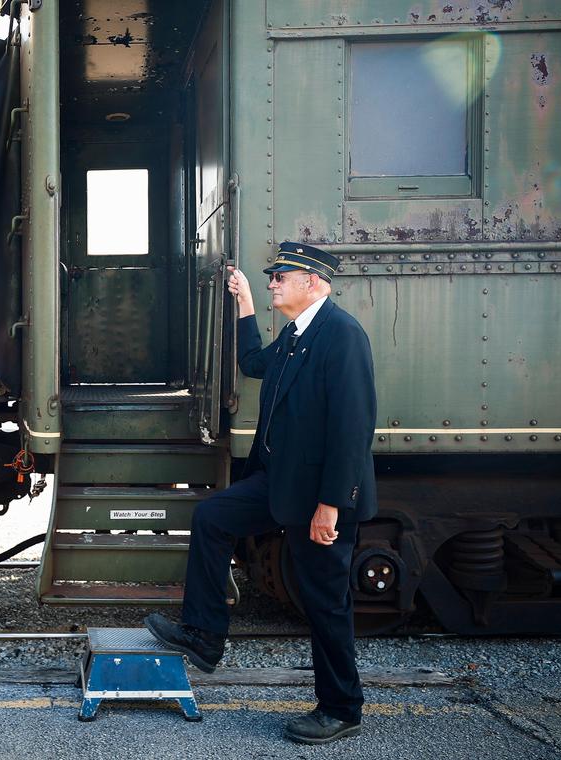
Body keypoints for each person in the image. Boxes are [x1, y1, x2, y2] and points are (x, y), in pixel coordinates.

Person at [145, 241, 377, 745]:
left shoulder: (342, 336)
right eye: (270, 276)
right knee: (213, 518)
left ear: (312, 282)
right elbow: (253, 361)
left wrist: (331, 504)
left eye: (280, 276)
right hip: (278, 482)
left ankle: (342, 708)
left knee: (324, 603)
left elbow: (352, 430)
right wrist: (245, 301)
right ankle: (205, 635)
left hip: (318, 494)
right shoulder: (297, 335)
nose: (273, 281)